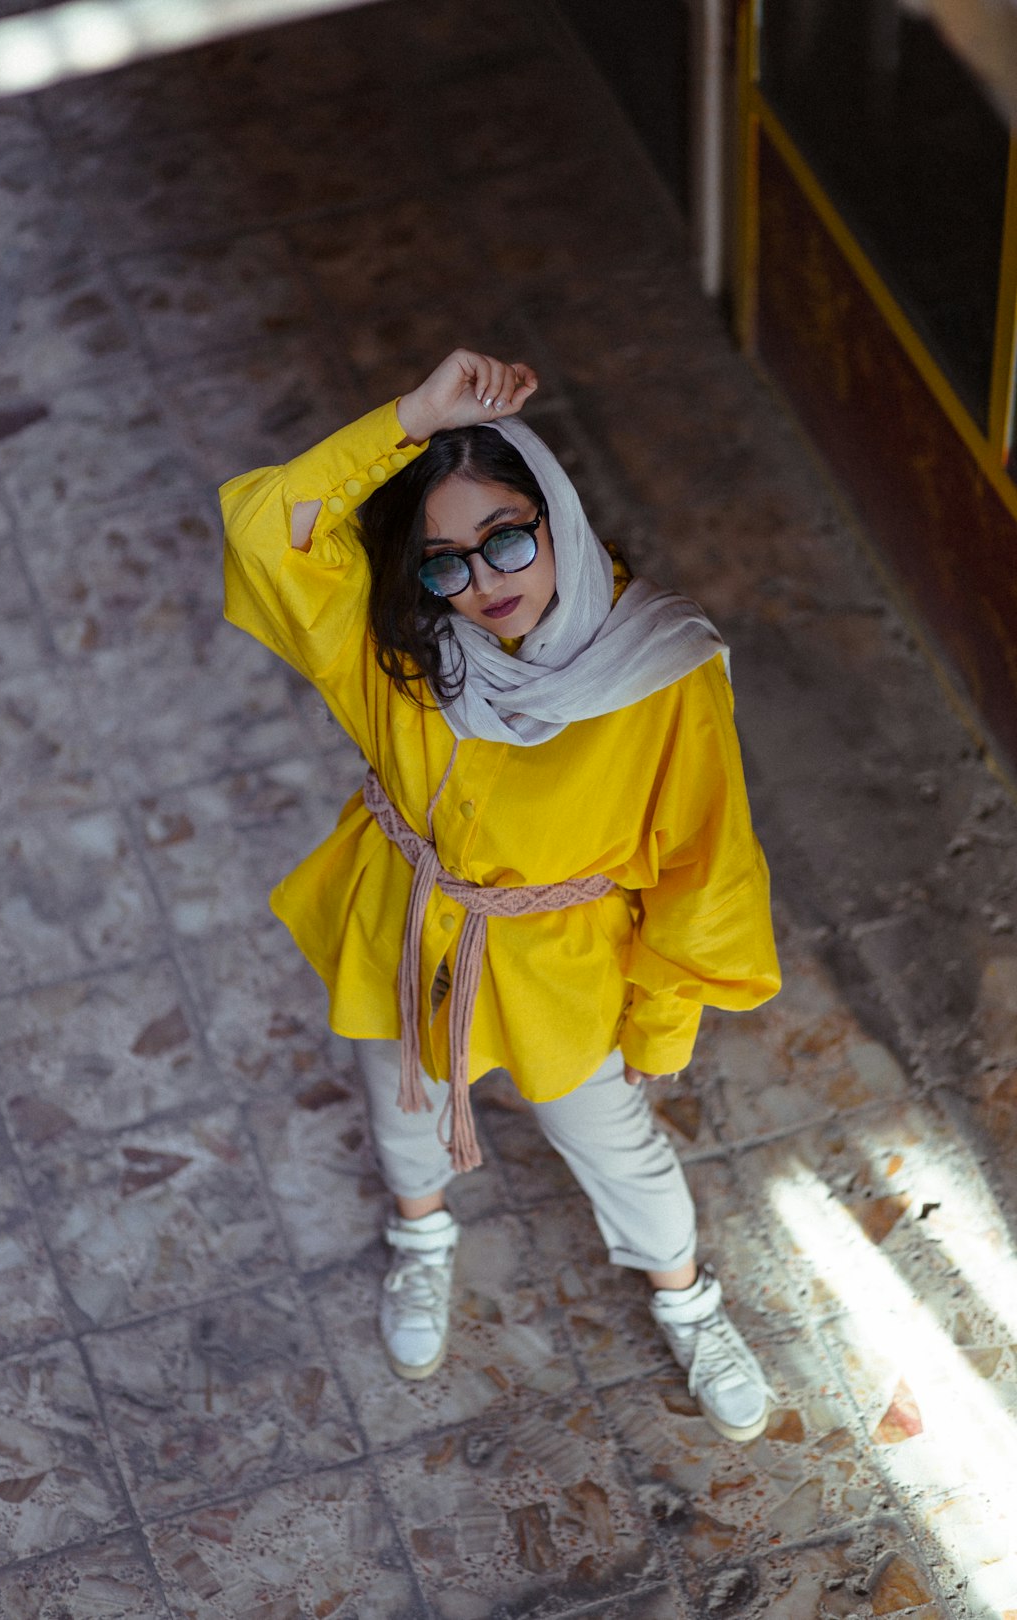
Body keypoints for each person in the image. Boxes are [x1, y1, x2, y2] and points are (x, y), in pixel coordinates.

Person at [221, 348, 782, 1444]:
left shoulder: (661, 670)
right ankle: (422, 1241)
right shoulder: (398, 649)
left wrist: (656, 1024)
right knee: (402, 1099)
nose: (487, 580)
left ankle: (690, 1303)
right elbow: (262, 530)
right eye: (446, 563)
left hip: (563, 963)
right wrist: (412, 418)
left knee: (617, 1141)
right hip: (407, 926)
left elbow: (706, 866)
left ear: (556, 514)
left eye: (510, 536)